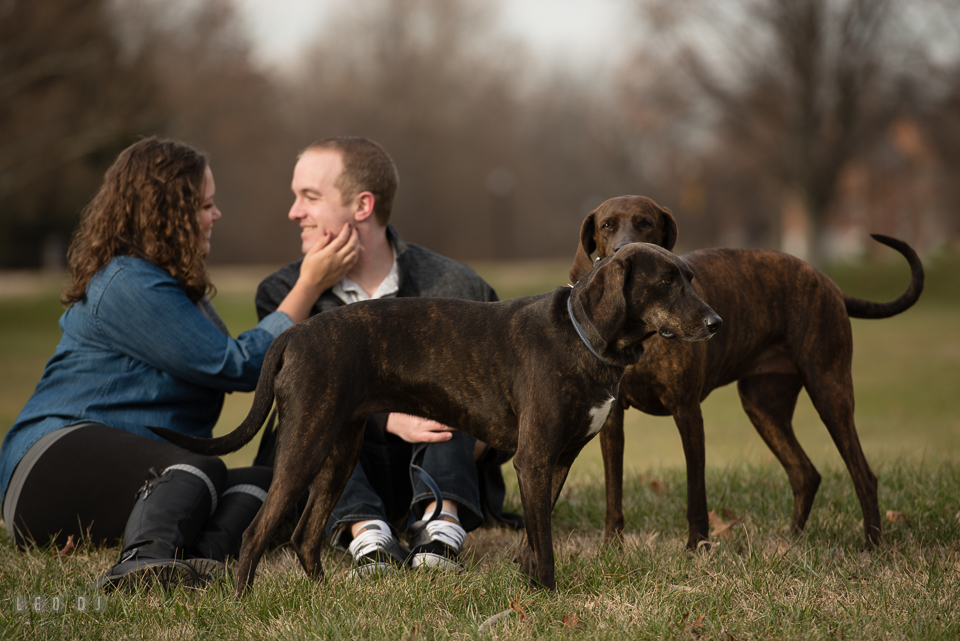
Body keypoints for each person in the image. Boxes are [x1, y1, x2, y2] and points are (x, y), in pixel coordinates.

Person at [0, 137, 358, 590]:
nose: (216, 215)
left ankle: (203, 563)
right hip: (46, 465)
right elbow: (239, 365)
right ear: (167, 213)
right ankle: (142, 565)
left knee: (269, 485)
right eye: (205, 205)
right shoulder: (128, 283)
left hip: (141, 473)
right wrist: (308, 284)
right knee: (196, 466)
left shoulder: (173, 287)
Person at [254, 136, 520, 578]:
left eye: (310, 197)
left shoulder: (458, 288)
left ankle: (442, 523)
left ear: (362, 206)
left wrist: (460, 417)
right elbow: (282, 399)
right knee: (314, 407)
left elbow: (506, 411)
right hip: (343, 474)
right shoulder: (284, 294)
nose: (294, 212)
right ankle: (365, 532)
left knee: (456, 389)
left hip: (442, 461)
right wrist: (388, 417)